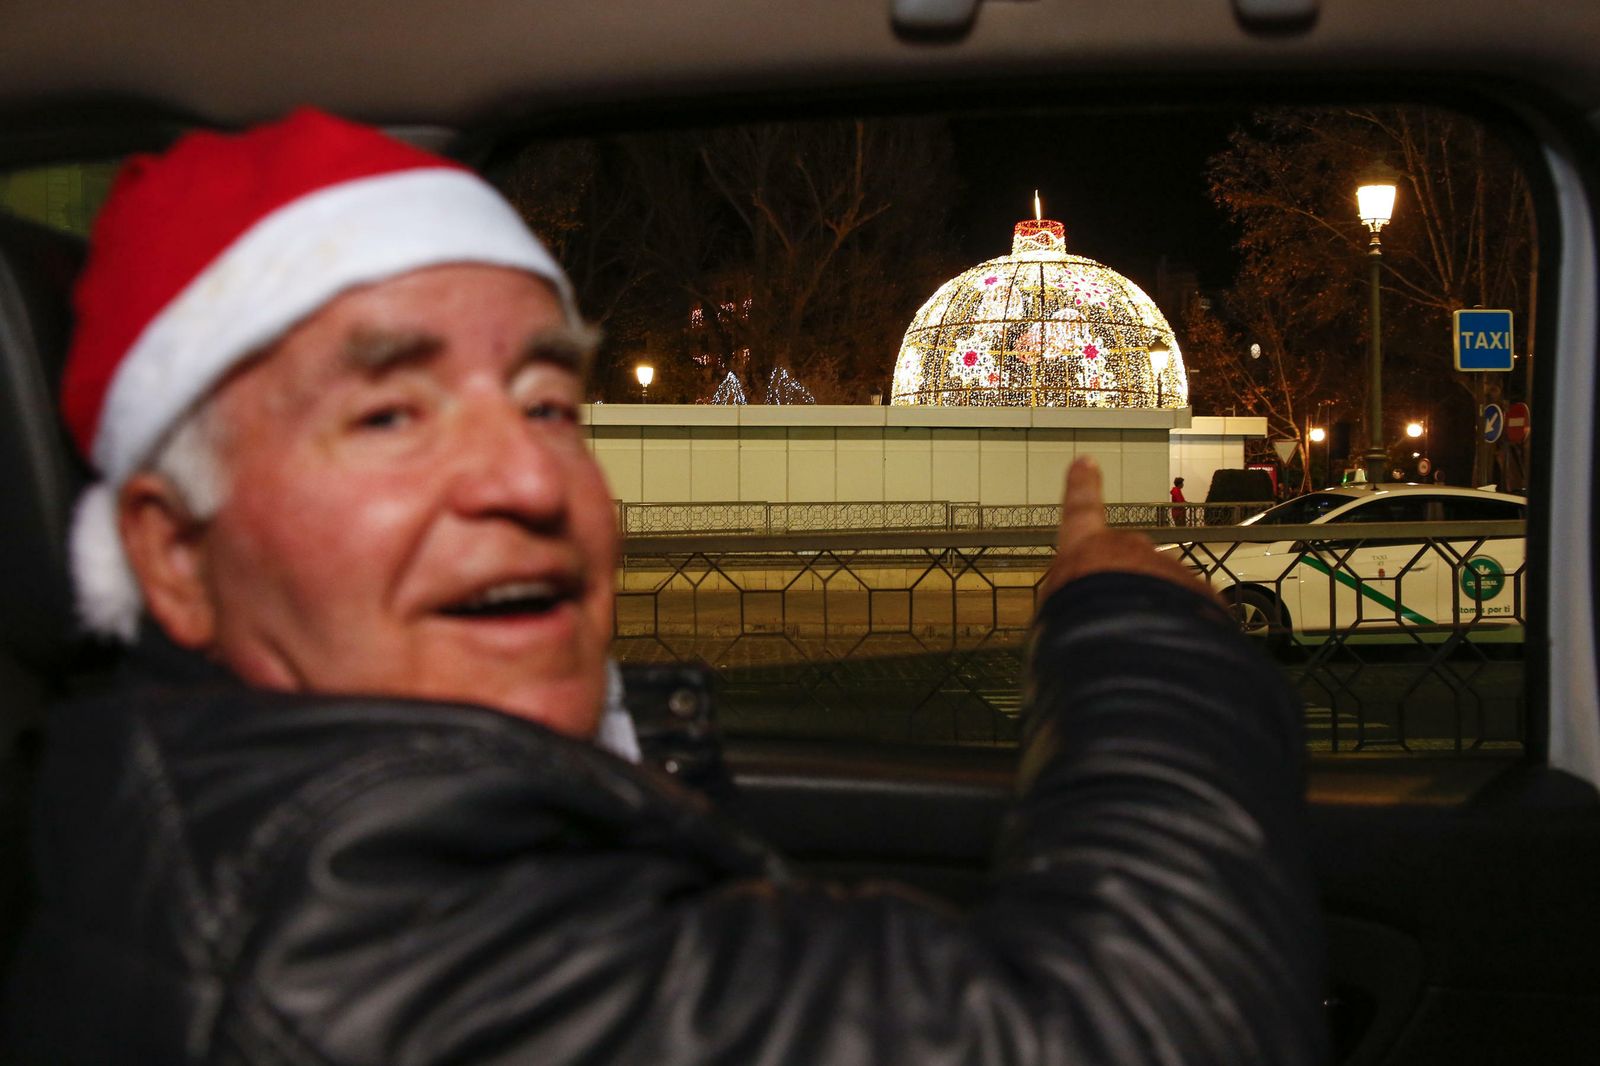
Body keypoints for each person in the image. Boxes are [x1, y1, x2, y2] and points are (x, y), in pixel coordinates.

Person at [2, 110, 1324, 1064]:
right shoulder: (351, 959)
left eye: (547, 396)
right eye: (391, 413)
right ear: (174, 556)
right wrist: (1134, 628)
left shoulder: (273, 836)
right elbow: (1154, 1030)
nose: (527, 474)